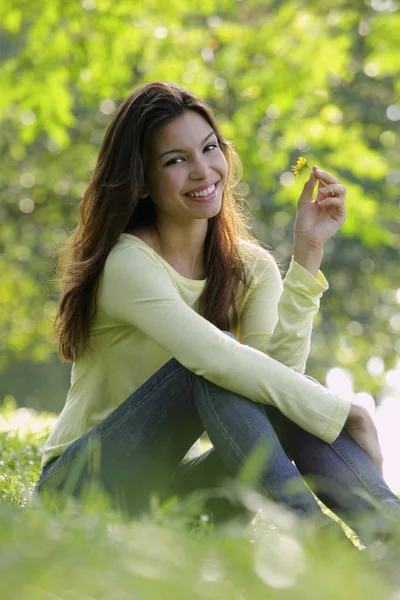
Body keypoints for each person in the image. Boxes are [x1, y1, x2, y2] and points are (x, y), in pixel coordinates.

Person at [32, 81, 400, 545]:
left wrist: (307, 254)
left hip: (170, 503)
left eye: (209, 149)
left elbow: (274, 389)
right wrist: (348, 413)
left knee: (253, 381)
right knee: (207, 367)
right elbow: (218, 362)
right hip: (80, 489)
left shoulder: (250, 268)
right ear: (142, 180)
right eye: (176, 160)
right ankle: (327, 550)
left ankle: (389, 528)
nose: (203, 171)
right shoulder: (127, 263)